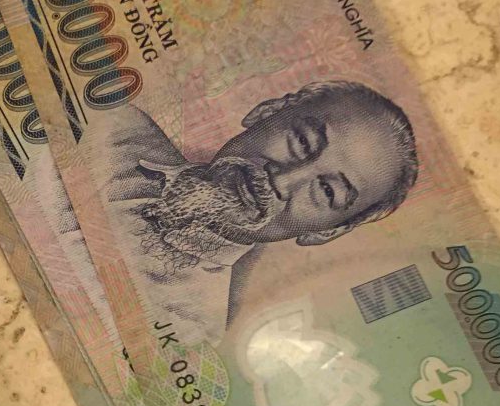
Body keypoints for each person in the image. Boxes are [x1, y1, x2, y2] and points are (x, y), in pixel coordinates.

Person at [94, 79, 419, 343]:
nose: (281, 179)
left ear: (326, 232)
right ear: (267, 112)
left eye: (327, 191)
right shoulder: (110, 126)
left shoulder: (187, 329)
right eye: (303, 142)